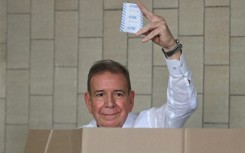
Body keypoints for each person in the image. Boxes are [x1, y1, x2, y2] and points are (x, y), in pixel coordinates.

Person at [82, 1, 197, 128]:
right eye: (100, 95)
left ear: (130, 100)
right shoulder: (76, 141)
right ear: (88, 102)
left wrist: (171, 48)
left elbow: (183, 106)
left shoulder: (151, 125)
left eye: (118, 94)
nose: (110, 103)